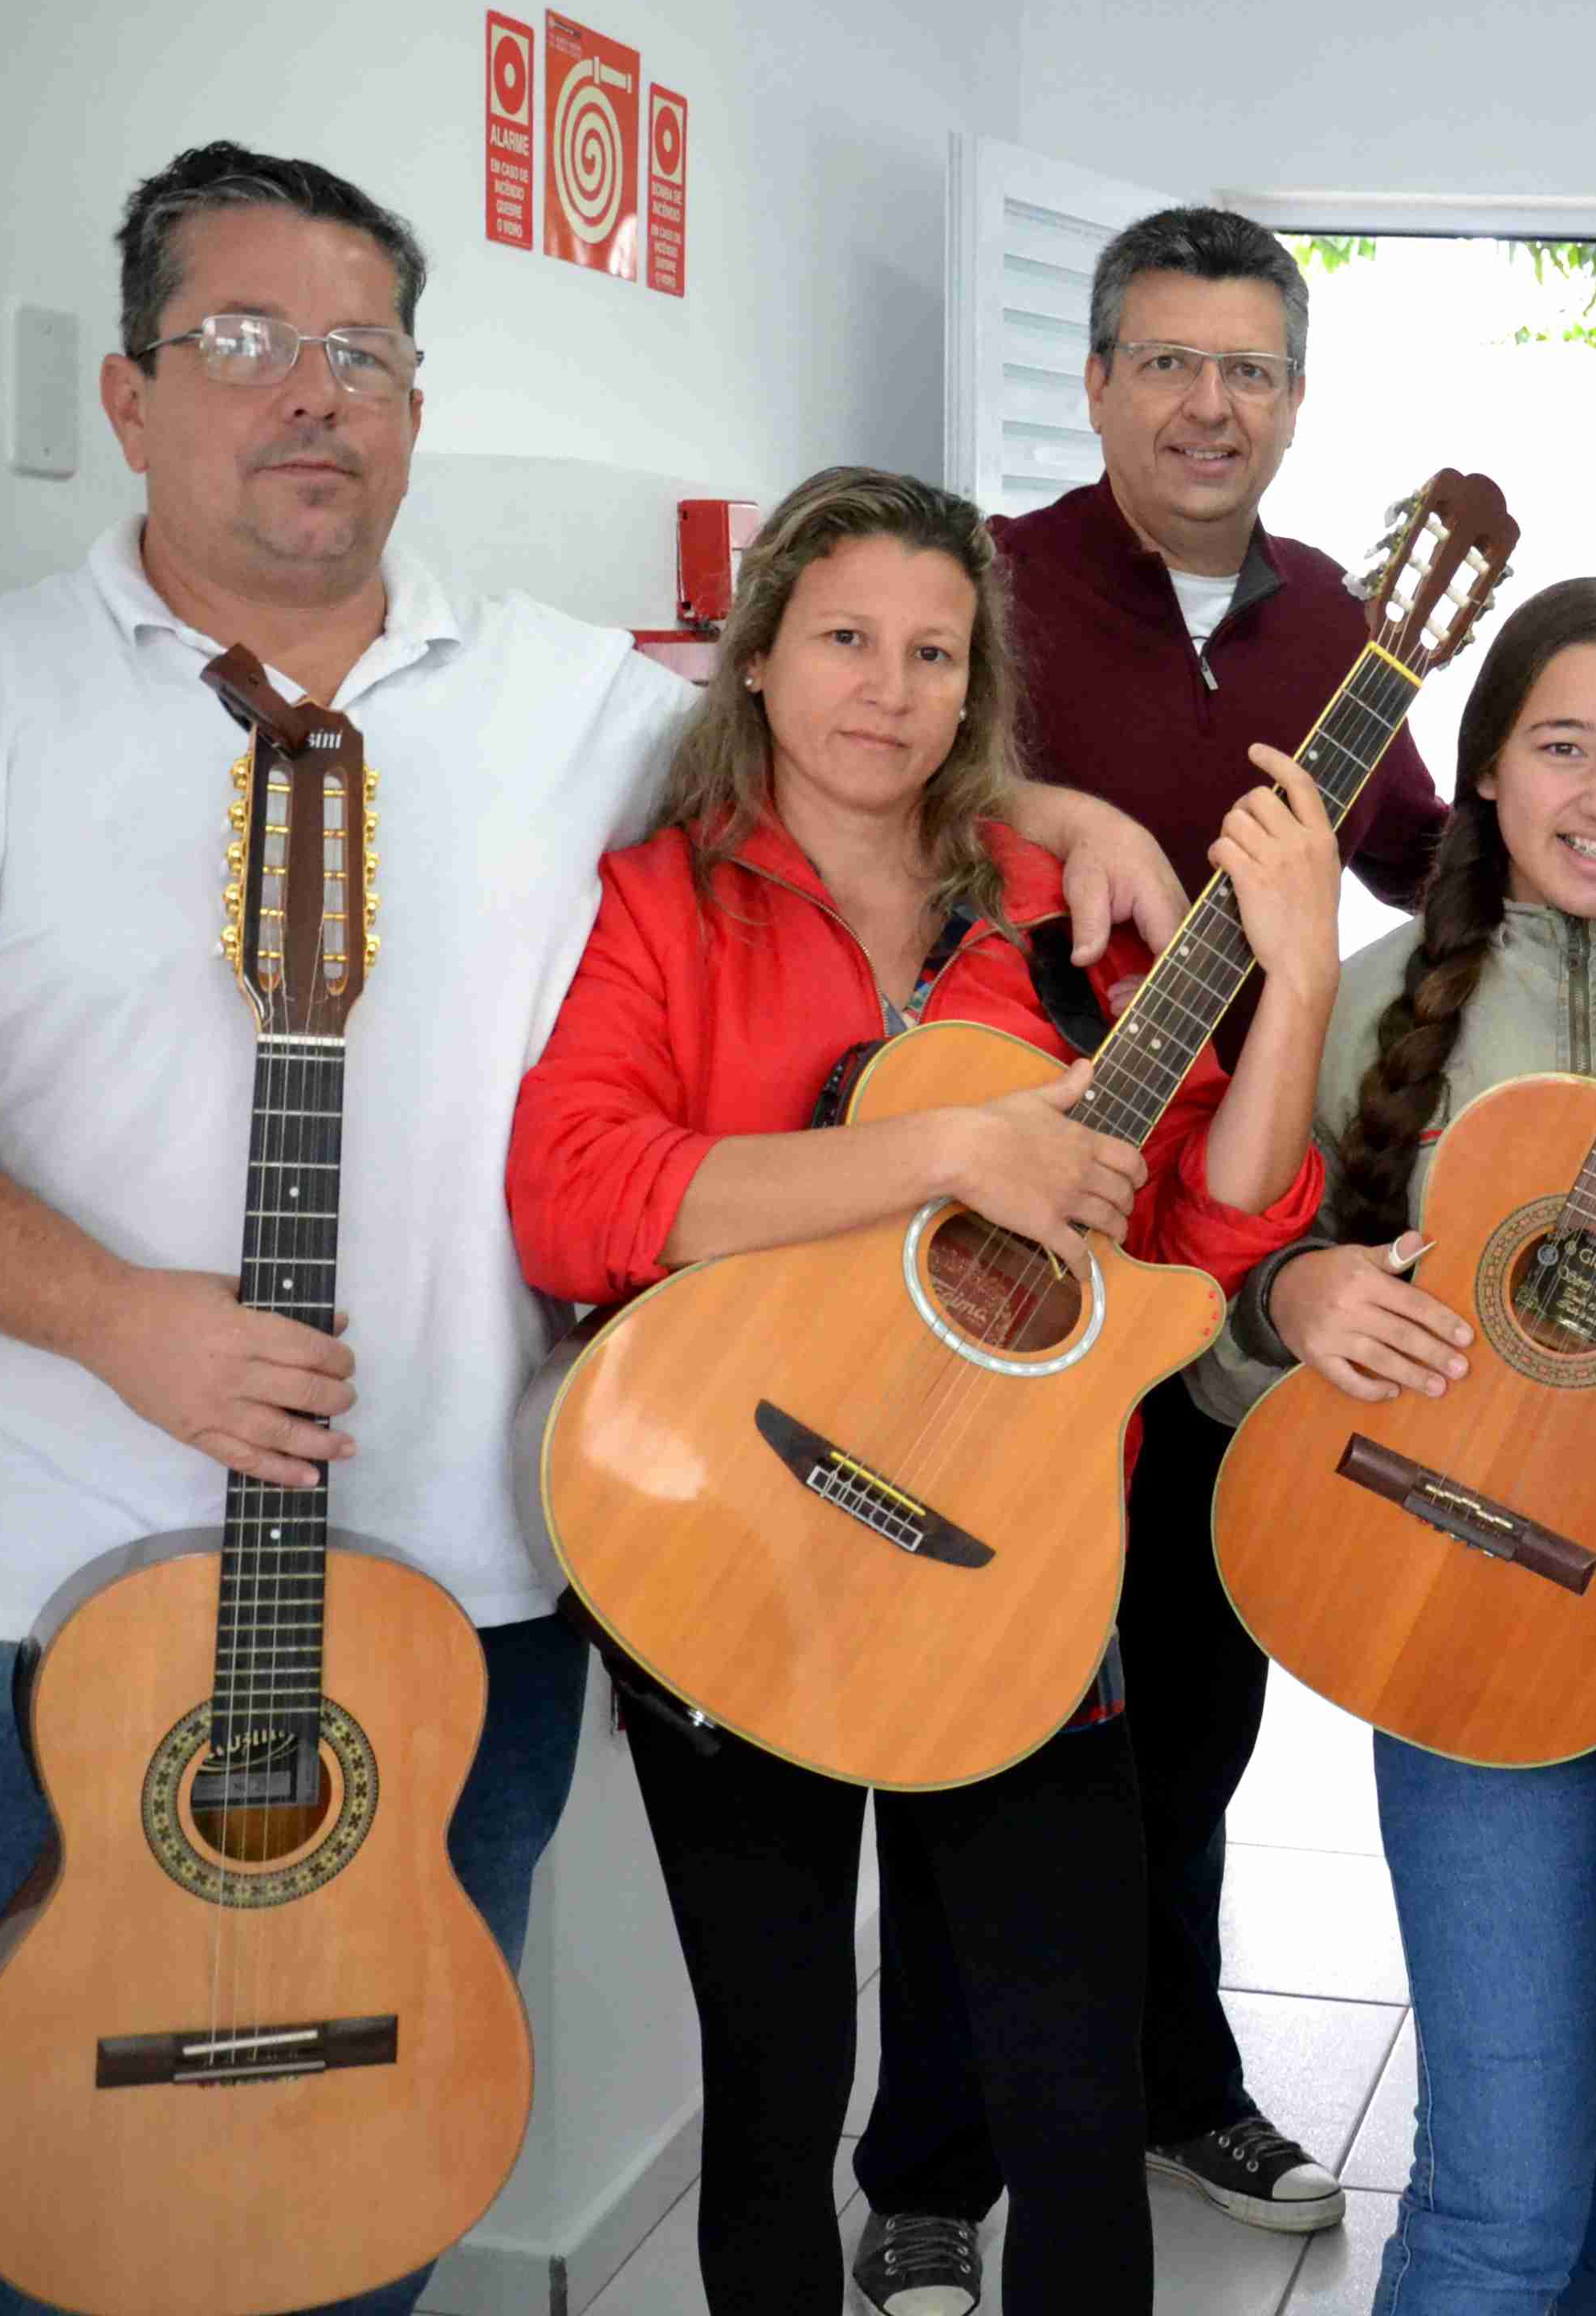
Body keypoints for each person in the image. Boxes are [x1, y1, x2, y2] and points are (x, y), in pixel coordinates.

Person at [0, 144, 1179, 2316]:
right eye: (243, 342)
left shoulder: (566, 696)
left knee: (373, 2201)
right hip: (50, 1602)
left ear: (415, 400)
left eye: (361, 353)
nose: (311, 394)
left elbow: (850, 743)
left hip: (470, 1593)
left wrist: (1059, 807)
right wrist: (121, 1318)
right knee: (68, 2224)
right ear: (127, 394)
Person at [503, 466, 1342, 2316]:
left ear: (979, 690)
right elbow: (577, 1195)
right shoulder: (664, 902)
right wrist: (947, 1149)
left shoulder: (1063, 907)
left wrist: (1287, 988)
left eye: (932, 651)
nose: (883, 687)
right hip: (735, 1521)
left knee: (1070, 2077)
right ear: (761, 658)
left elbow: (1215, 1218)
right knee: (779, 2069)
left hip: (1016, 1549)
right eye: (845, 638)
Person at [870, 207, 1450, 2261]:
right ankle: (929, 2170)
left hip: (1212, 1247)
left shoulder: (1340, 626)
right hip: (992, 1235)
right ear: (1099, 378)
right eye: (1172, 363)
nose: (1214, 404)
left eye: (1255, 370)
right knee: (968, 1708)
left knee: (1190, 1717)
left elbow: (1421, 860)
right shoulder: (984, 589)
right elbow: (868, 788)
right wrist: (1052, 812)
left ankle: (1173, 2075)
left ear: (1296, 398)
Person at [1194, 576, 1596, 2313]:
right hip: (1474, 1622)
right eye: (1564, 748)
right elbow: (1213, 1316)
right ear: (1484, 768)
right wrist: (1297, 1300)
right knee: (1504, 2188)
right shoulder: (1366, 993)